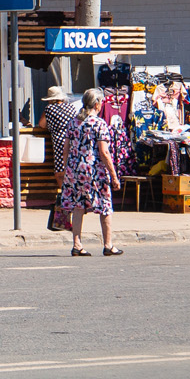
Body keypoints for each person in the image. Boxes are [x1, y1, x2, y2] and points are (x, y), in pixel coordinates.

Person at [60, 87, 123, 257]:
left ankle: (77, 244)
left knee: (78, 207)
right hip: (94, 171)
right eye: (101, 102)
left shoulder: (73, 122)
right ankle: (108, 244)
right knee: (105, 206)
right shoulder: (99, 124)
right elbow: (104, 152)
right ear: (96, 104)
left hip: (75, 170)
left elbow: (65, 148)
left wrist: (67, 168)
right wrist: (114, 175)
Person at [37, 85, 79, 186]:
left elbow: (42, 124)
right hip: (73, 140)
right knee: (72, 168)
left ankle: (63, 193)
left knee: (60, 171)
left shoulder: (49, 109)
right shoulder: (71, 107)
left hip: (59, 142)